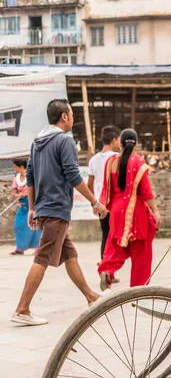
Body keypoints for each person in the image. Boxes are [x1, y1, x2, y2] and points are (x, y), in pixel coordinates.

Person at [11, 99, 107, 326]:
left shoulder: (37, 142)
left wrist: (33, 208)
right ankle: (22, 309)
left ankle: (91, 297)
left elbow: (31, 177)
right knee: (42, 257)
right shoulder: (64, 140)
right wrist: (95, 202)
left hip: (44, 208)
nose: (73, 118)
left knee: (69, 254)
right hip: (56, 209)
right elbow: (73, 176)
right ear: (64, 116)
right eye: (72, 114)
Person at [97, 129, 161, 291]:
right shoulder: (138, 162)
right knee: (142, 251)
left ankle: (107, 271)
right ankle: (138, 289)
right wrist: (155, 211)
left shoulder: (111, 162)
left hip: (117, 212)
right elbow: (146, 191)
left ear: (120, 143)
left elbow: (107, 189)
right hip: (136, 213)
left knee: (115, 245)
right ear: (136, 143)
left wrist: (103, 206)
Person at [87, 125, 121, 261]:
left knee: (106, 235)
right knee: (118, 236)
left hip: (101, 205)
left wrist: (94, 203)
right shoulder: (118, 158)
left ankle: (105, 268)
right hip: (116, 203)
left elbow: (90, 184)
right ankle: (111, 267)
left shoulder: (93, 160)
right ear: (114, 140)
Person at [10, 159, 41, 255]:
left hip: (32, 203)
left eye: (15, 167)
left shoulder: (31, 176)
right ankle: (20, 248)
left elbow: (37, 187)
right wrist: (17, 195)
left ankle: (38, 248)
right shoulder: (16, 179)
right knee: (18, 225)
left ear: (21, 167)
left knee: (35, 226)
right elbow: (14, 192)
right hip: (23, 205)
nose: (14, 169)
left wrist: (27, 192)